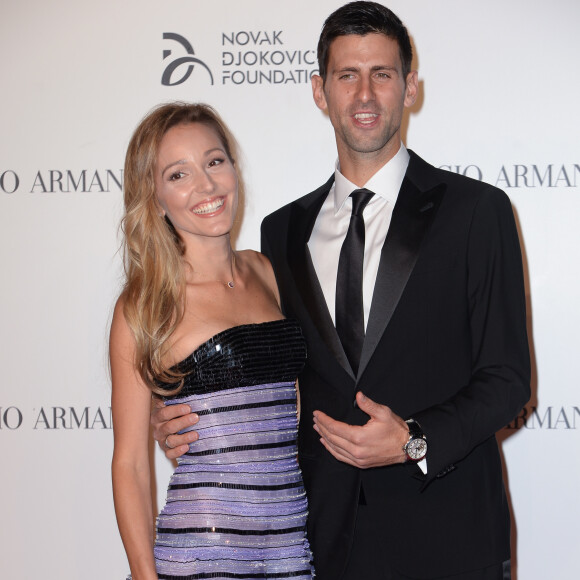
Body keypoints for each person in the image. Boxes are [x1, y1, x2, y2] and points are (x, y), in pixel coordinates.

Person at [151, 3, 530, 579]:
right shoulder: (281, 232)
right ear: (319, 92)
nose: (365, 95)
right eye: (346, 76)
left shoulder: (477, 212)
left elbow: (508, 382)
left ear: (410, 88)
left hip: (449, 536)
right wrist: (189, 413)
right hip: (322, 544)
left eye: (382, 74)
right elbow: (267, 365)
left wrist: (414, 441)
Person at [110, 102, 314, 580]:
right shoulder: (146, 304)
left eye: (214, 161)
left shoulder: (267, 271)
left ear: (233, 168)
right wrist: (143, 574)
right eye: (178, 174)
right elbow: (131, 464)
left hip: (291, 550)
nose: (206, 185)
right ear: (155, 197)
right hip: (205, 554)